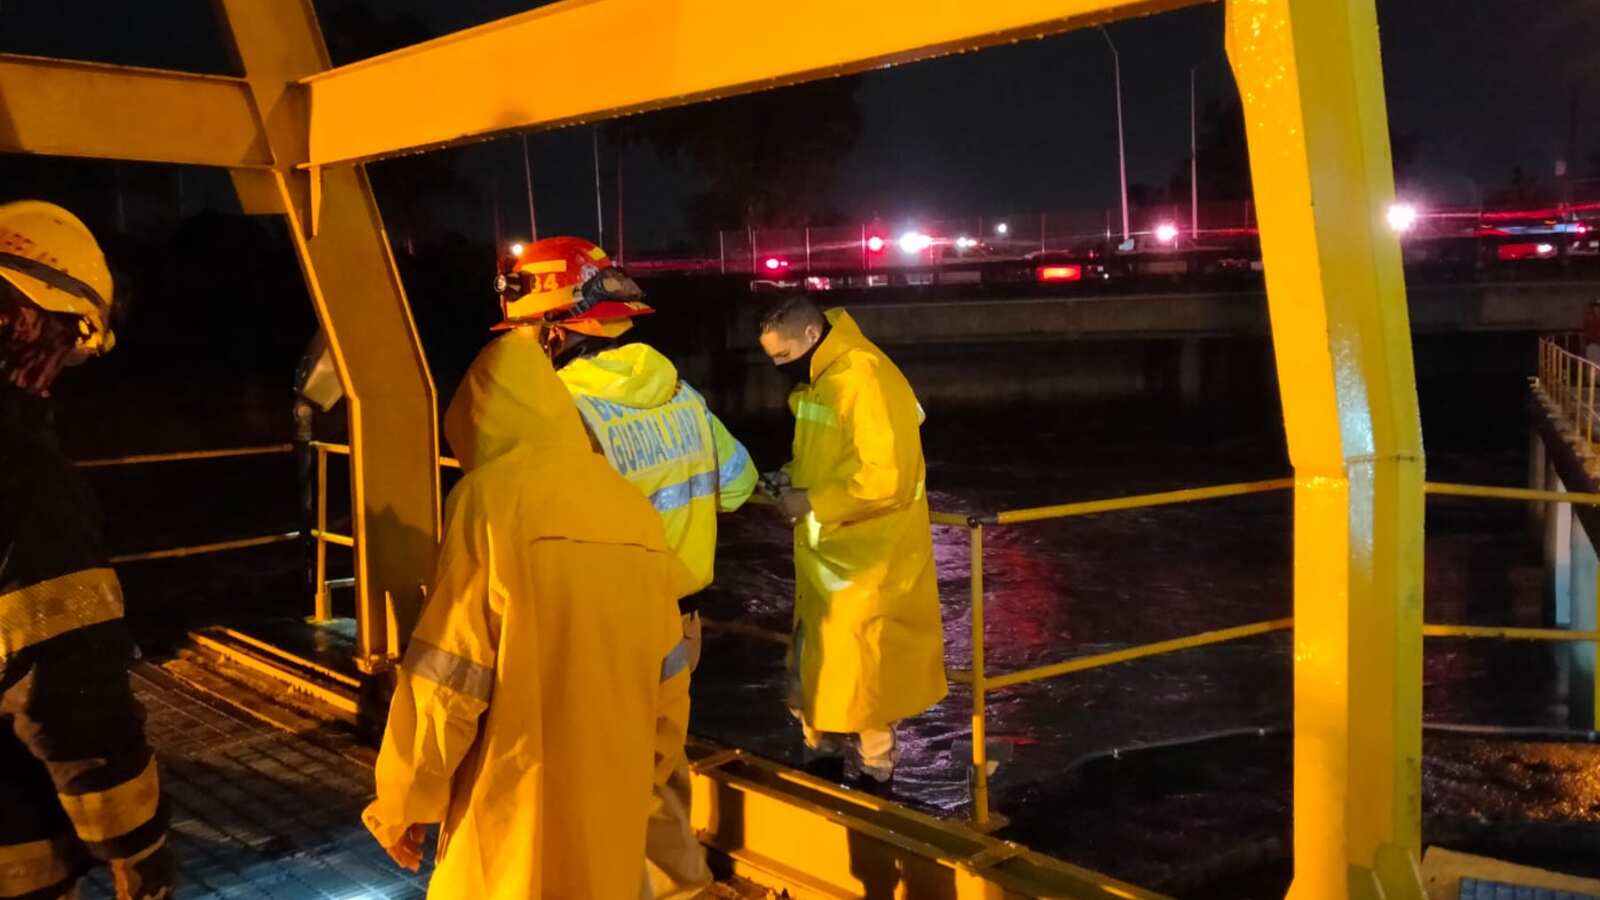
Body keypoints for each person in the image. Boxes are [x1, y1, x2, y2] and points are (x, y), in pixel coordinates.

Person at [363, 327, 699, 899]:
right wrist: (646, 769)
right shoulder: (631, 508)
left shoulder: (488, 500)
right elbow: (668, 675)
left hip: (511, 798)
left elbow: (449, 677)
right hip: (612, 800)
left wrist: (404, 800)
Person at [501, 236, 757, 899]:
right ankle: (683, 889)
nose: (521, 343)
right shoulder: (680, 393)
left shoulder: (557, 409)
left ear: (555, 330)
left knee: (594, 785)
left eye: (526, 327)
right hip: (678, 626)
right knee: (658, 768)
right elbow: (738, 483)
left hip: (601, 630)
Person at [0, 200, 175, 900]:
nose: (57, 376)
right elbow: (68, 695)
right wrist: (139, 848)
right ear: (27, 321)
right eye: (65, 350)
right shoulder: (22, 476)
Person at [757, 294, 946, 791]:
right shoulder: (824, 381)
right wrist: (792, 479)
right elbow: (826, 457)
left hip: (867, 565)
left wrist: (811, 501)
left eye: (784, 356)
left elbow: (888, 480)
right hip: (831, 562)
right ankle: (822, 766)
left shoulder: (863, 377)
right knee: (818, 671)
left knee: (865, 686)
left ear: (811, 337)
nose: (780, 367)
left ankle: (875, 782)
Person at [1583, 300, 1600, 365]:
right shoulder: (1590, 319)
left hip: (1594, 344)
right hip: (1593, 345)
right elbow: (1588, 333)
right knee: (1594, 366)